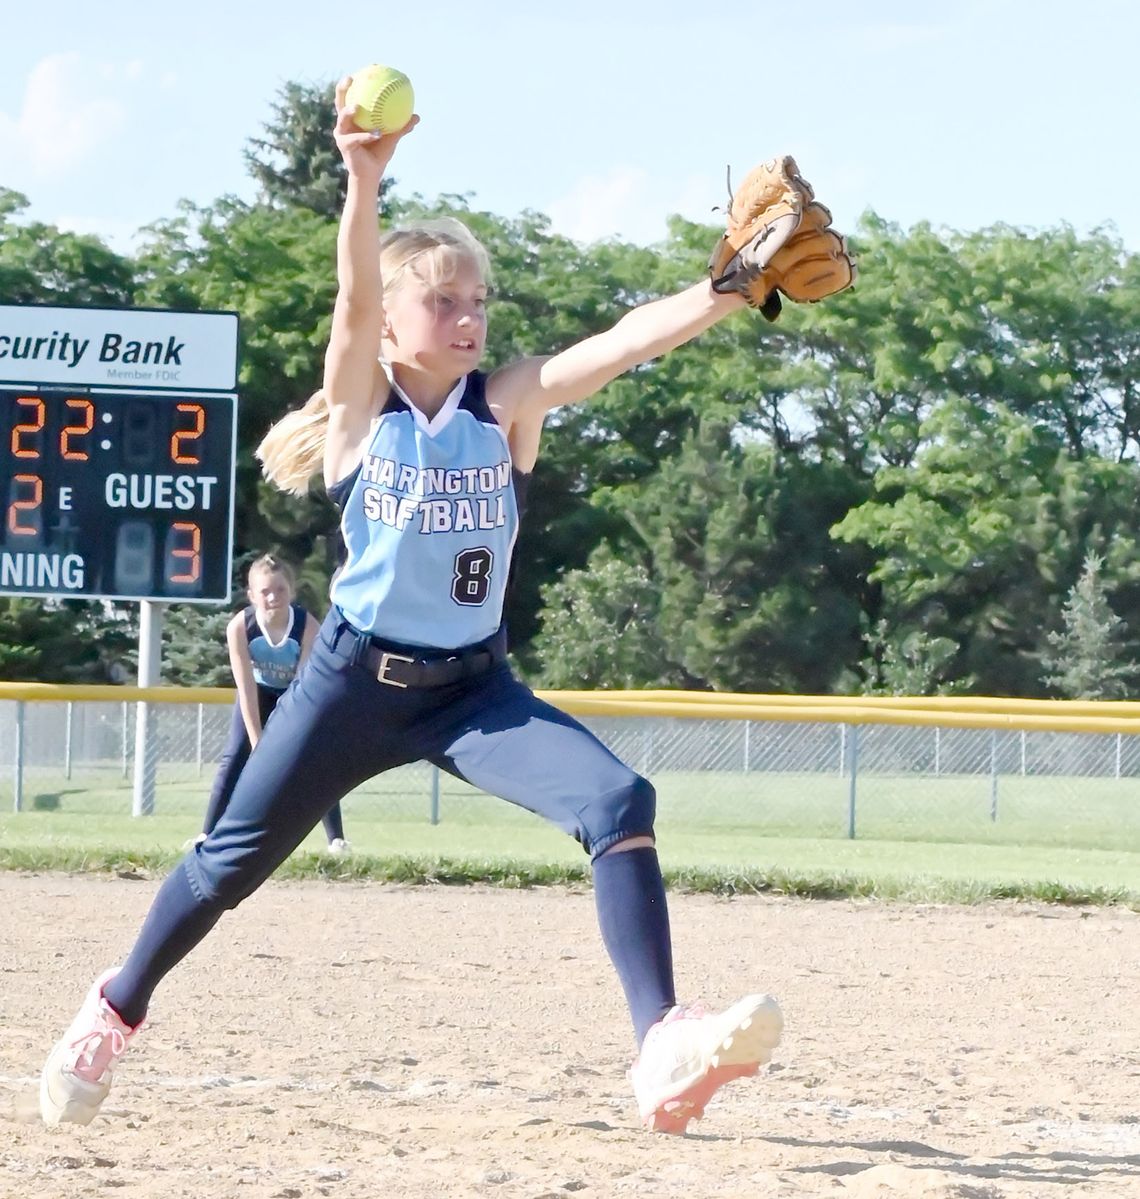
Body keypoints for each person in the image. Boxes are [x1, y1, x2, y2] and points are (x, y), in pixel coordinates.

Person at [39, 75, 785, 1136]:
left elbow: (622, 343)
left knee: (620, 803)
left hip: (474, 693)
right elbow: (349, 302)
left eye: (479, 299)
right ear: (392, 326)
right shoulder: (361, 414)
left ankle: (663, 1040)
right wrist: (364, 180)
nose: (470, 315)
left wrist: (727, 287)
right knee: (227, 864)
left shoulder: (506, 403)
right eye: (444, 300)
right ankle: (112, 1007)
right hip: (348, 685)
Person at [196, 554, 350, 855]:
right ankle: (206, 833)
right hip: (257, 693)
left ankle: (336, 840)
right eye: (265, 591)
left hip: (294, 695)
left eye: (280, 590)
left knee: (315, 760)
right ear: (252, 595)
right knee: (234, 757)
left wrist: (283, 742)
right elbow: (246, 687)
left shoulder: (307, 627)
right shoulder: (240, 627)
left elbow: (302, 689)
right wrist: (257, 744)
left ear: (291, 592)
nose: (273, 597)